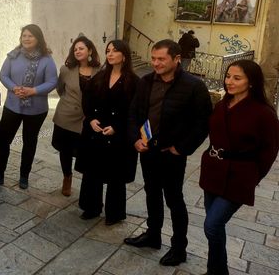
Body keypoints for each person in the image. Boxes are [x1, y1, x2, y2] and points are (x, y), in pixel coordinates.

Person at [125, 39, 212, 267]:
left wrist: (181, 148)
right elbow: (134, 113)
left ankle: (178, 248)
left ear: (176, 59)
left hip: (172, 154)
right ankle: (153, 235)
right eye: (153, 58)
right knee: (151, 192)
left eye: (161, 59)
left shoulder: (194, 86)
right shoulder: (145, 82)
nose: (156, 63)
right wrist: (135, 138)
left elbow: (203, 123)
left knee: (174, 199)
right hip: (147, 150)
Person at [199, 60, 279, 275]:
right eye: (228, 76)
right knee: (213, 225)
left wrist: (252, 177)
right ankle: (215, 270)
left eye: (237, 78)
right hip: (213, 172)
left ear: (251, 82)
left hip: (239, 178)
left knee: (212, 225)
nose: (229, 82)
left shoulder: (263, 113)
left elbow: (269, 152)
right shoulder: (222, 104)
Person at [0, 24, 57, 189]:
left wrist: (33, 90)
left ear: (38, 39)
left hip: (36, 109)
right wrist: (15, 88)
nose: (27, 39)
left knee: (29, 142)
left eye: (30, 36)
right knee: (3, 140)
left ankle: (24, 176)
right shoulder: (13, 55)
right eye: (24, 35)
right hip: (13, 106)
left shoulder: (46, 59)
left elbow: (52, 81)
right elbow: (3, 75)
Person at [78, 40, 139, 225]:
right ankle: (91, 207)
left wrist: (118, 126)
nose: (110, 54)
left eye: (114, 51)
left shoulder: (135, 82)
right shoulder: (100, 77)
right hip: (96, 132)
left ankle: (114, 213)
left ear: (124, 55)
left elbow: (135, 110)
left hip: (118, 136)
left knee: (116, 176)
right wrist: (91, 119)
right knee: (92, 171)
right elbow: (87, 101)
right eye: (108, 51)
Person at [51, 36, 100, 196]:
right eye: (75, 49)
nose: (78, 51)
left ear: (90, 50)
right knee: (65, 150)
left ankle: (88, 185)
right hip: (66, 117)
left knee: (85, 151)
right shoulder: (66, 70)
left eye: (81, 48)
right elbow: (60, 89)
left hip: (88, 119)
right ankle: (67, 177)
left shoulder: (101, 72)